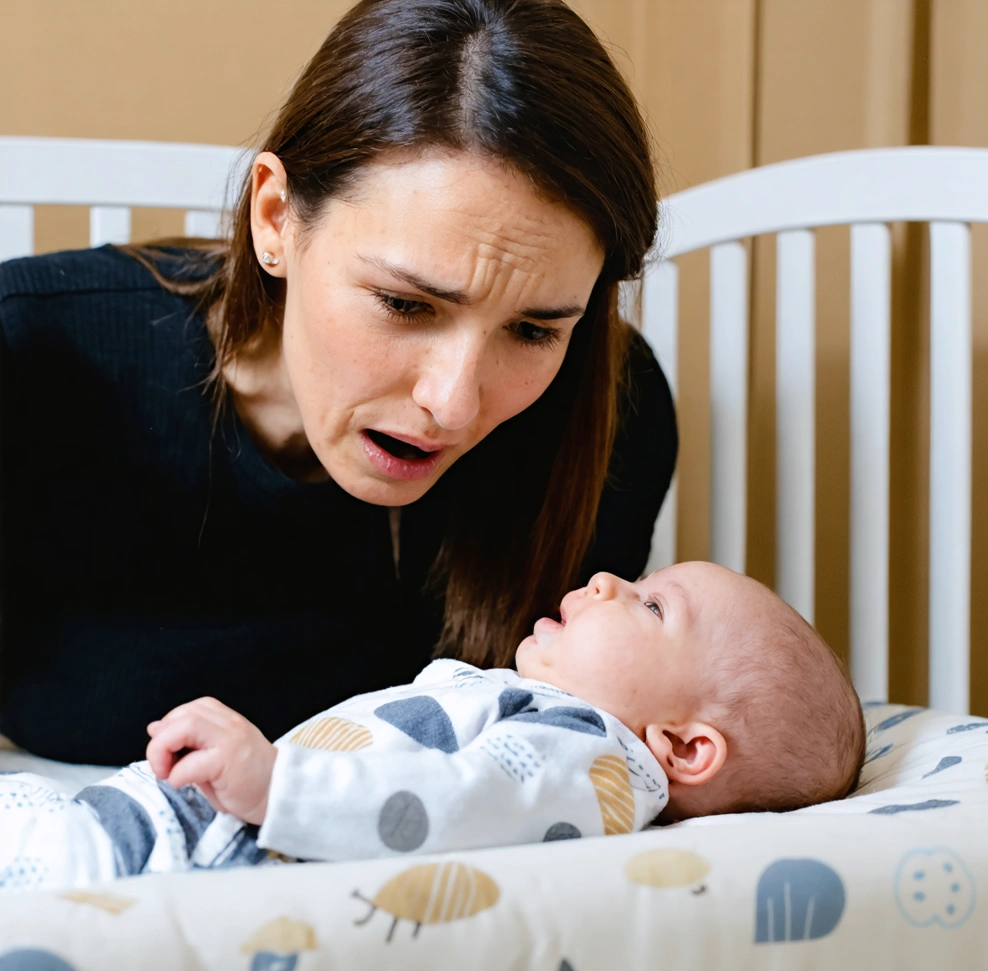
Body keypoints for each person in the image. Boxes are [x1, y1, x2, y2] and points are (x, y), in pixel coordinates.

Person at [0, 0, 676, 767]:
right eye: (404, 304)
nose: (451, 404)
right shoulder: (30, 358)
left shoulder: (617, 416)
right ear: (275, 218)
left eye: (533, 330)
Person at [0, 562, 866, 889]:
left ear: (681, 747)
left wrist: (277, 783)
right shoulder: (555, 720)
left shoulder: (594, 758)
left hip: (219, 850)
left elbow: (455, 805)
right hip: (191, 822)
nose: (606, 580)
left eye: (650, 604)